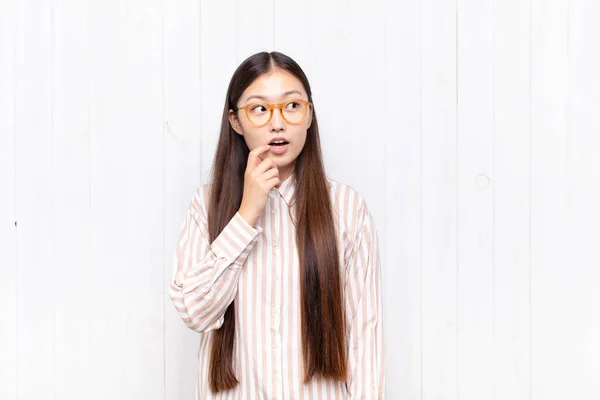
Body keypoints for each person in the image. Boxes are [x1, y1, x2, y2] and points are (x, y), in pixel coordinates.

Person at [168, 51, 385, 399]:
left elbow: (364, 337)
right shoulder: (206, 206)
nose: (277, 123)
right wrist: (246, 214)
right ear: (235, 121)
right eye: (259, 109)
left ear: (309, 115)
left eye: (292, 106)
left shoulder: (346, 208)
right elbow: (195, 311)